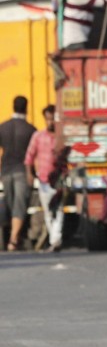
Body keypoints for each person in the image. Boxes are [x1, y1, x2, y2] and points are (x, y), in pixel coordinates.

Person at [0, 96, 37, 251]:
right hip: (22, 171)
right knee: (19, 205)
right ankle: (13, 239)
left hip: (6, 170)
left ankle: (11, 236)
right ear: (26, 107)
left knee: (9, 203)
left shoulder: (3, 127)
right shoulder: (30, 129)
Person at [24, 105, 61, 252]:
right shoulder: (38, 137)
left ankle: (55, 240)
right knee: (48, 212)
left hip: (60, 180)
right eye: (48, 119)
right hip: (44, 180)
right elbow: (29, 157)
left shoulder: (62, 137)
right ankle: (54, 238)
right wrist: (30, 174)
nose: (51, 122)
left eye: (53, 119)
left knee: (59, 211)